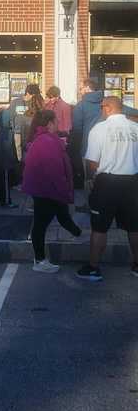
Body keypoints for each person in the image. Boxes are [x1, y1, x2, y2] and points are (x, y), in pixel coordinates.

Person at [76, 97, 138, 281]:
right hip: (133, 182)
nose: (101, 110)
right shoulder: (136, 128)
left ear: (109, 108)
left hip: (107, 183)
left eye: (102, 107)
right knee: (135, 227)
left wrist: (90, 178)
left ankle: (93, 268)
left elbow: (92, 162)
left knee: (100, 228)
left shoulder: (100, 129)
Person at [22, 110, 82, 273]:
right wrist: (65, 192)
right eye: (56, 121)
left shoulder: (46, 139)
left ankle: (79, 235)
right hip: (46, 189)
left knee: (62, 216)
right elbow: (54, 171)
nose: (58, 123)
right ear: (49, 123)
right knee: (41, 224)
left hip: (45, 188)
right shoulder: (47, 142)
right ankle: (40, 260)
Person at [8, 84, 44, 160]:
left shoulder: (34, 103)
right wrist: (14, 129)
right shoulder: (15, 102)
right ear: (27, 93)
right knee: (18, 154)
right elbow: (11, 117)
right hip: (18, 131)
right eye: (33, 95)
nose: (34, 97)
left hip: (30, 132)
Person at [0, 107, 19, 208]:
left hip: (0, 161)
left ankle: (3, 200)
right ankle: (7, 201)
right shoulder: (7, 132)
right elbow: (8, 148)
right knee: (5, 181)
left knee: (2, 182)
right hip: (6, 162)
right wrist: (13, 159)